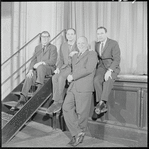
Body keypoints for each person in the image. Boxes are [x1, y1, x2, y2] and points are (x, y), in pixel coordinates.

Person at [62, 36, 98, 146]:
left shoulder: (92, 54)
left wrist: (73, 76)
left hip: (84, 87)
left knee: (82, 113)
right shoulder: (75, 55)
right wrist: (70, 56)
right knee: (66, 107)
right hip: (73, 87)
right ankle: (78, 132)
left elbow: (88, 69)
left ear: (87, 44)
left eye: (83, 43)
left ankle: (79, 135)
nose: (81, 45)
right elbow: (72, 67)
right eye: (79, 43)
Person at [10, 31, 58, 111]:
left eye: (46, 37)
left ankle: (39, 88)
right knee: (29, 76)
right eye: (43, 37)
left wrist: (42, 63)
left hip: (49, 69)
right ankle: (22, 99)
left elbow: (53, 61)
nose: (45, 38)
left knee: (40, 67)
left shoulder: (53, 47)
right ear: (41, 38)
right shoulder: (37, 47)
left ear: (49, 38)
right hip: (39, 70)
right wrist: (30, 70)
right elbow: (33, 60)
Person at [46, 28, 79, 114]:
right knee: (54, 77)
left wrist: (76, 54)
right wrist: (57, 68)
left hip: (73, 68)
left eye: (72, 34)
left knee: (61, 78)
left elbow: (83, 56)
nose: (70, 36)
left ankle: (58, 102)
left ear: (75, 35)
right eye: (68, 34)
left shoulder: (79, 45)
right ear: (66, 35)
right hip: (64, 67)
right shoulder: (63, 45)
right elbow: (60, 59)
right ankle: (56, 100)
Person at [92, 26, 121, 121]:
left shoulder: (113, 43)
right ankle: (102, 105)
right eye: (98, 34)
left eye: (101, 33)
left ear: (106, 34)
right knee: (96, 80)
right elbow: (97, 57)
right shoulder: (96, 44)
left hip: (112, 66)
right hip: (101, 66)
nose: (99, 35)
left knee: (107, 80)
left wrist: (110, 70)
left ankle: (100, 103)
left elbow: (117, 59)